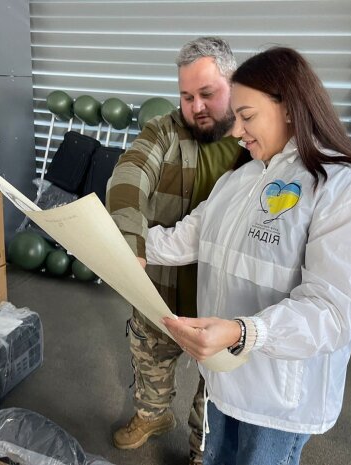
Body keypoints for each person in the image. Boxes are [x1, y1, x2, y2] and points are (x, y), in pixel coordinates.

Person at [145, 47, 351, 465]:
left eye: (246, 115)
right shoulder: (239, 180)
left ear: (291, 108)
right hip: (224, 377)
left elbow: (332, 312)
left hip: (279, 396)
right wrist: (117, 239)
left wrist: (246, 333)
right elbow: (183, 240)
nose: (234, 131)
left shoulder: (345, 188)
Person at [106, 37, 246, 464]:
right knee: (150, 361)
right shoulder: (163, 131)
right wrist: (129, 246)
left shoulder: (253, 141)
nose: (196, 106)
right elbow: (129, 174)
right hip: (160, 291)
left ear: (233, 85)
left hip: (222, 300)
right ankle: (152, 415)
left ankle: (201, 450)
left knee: (216, 392)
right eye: (186, 96)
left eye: (207, 94)